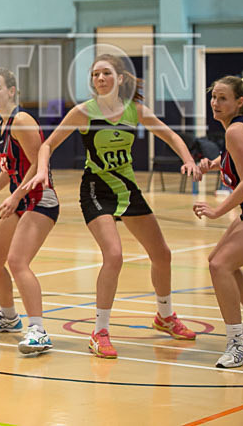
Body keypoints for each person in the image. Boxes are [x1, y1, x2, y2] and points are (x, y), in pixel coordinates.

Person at [26, 54, 200, 359]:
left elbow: (171, 135)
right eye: (95, 74)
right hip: (97, 189)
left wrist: (188, 160)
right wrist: (42, 170)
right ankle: (100, 332)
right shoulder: (84, 112)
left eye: (105, 73)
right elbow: (47, 144)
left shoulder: (134, 110)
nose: (99, 79)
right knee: (114, 255)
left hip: (127, 188)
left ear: (119, 78)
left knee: (162, 254)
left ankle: (165, 316)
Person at [0, 68, 58, 354]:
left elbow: (37, 164)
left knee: (18, 262)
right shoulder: (4, 124)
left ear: (11, 91)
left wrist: (15, 196)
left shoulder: (22, 121)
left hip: (40, 199)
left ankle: (39, 331)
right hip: (21, 200)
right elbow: (10, 169)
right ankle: (9, 317)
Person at [193, 76, 243, 368]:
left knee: (220, 266)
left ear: (239, 101)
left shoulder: (236, 130)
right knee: (218, 260)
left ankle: (237, 344)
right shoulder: (236, 128)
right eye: (214, 97)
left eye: (223, 98)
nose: (215, 103)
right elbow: (235, 161)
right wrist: (212, 164)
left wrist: (217, 211)